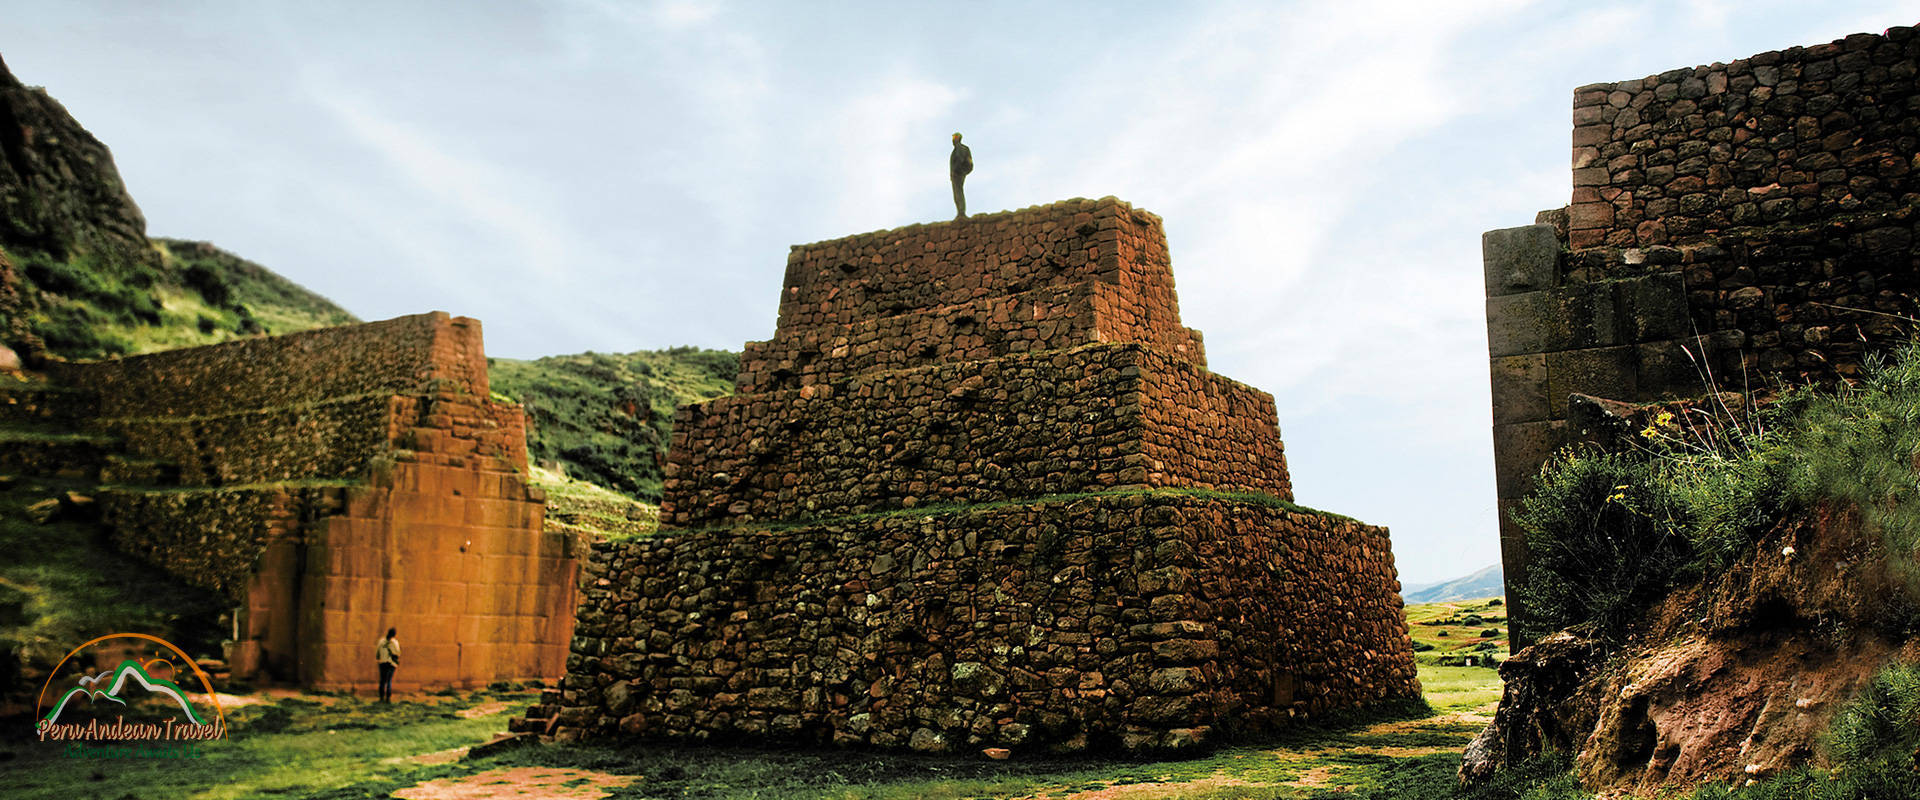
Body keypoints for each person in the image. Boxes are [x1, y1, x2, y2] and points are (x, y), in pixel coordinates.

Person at [950, 132, 973, 219]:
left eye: (954, 137)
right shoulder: (961, 148)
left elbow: (960, 159)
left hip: (958, 173)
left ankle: (961, 212)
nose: (953, 139)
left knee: (958, 193)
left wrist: (956, 170)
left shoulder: (959, 148)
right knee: (958, 192)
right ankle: (960, 212)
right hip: (961, 172)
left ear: (957, 138)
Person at [375, 627, 400, 703]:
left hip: (382, 662)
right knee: (389, 680)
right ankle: (388, 698)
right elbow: (398, 653)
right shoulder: (395, 643)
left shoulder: (381, 641)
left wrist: (381, 657)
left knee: (382, 680)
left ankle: (381, 697)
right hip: (391, 663)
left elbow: (377, 653)